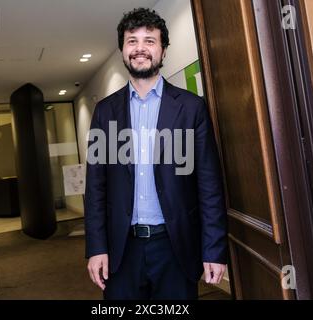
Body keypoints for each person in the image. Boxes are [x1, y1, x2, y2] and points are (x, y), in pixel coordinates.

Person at [85, 7, 227, 300]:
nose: (140, 49)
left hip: (175, 247)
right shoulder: (105, 112)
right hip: (121, 250)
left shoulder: (191, 108)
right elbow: (96, 186)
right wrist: (96, 247)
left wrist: (214, 250)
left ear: (163, 50)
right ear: (122, 50)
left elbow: (209, 185)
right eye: (131, 41)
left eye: (149, 41)